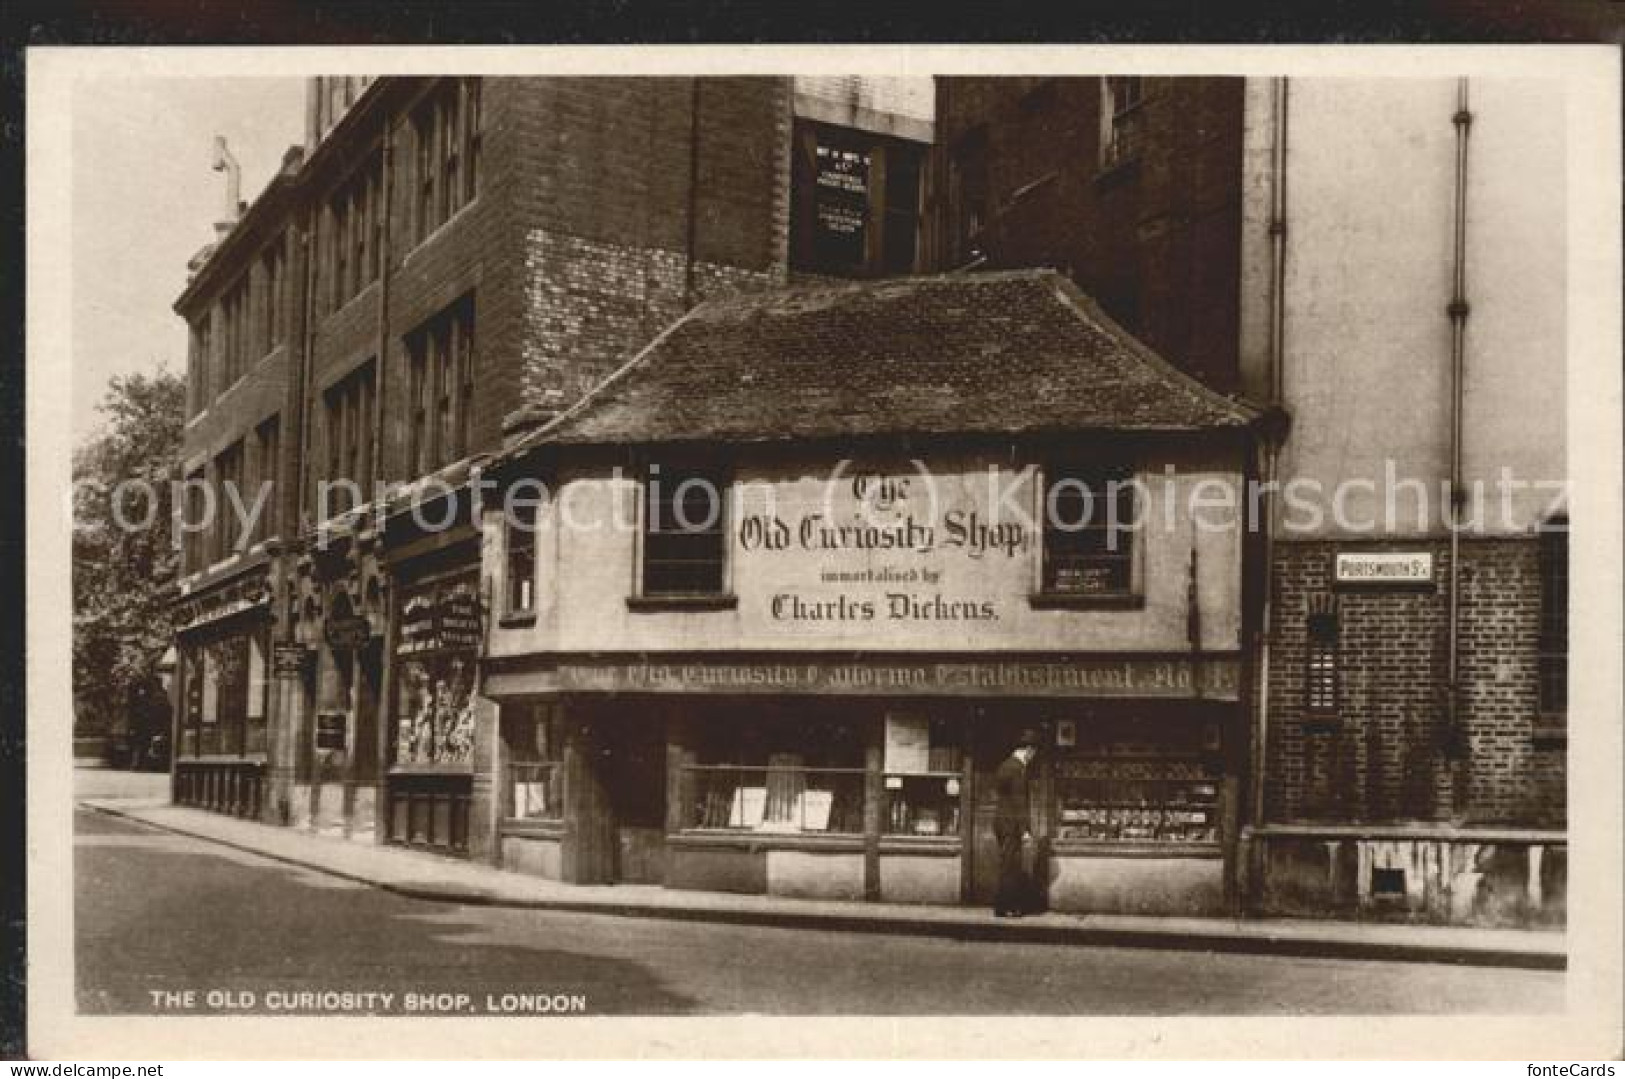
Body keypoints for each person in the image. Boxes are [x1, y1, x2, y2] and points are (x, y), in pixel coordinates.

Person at [993, 728, 1041, 917]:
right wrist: (1025, 831)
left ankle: (1005, 906)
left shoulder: (1005, 765)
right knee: (1010, 866)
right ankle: (1006, 907)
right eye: (1033, 753)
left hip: (1002, 821)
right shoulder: (1018, 769)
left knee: (1008, 864)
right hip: (1011, 823)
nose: (1033, 757)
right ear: (1028, 750)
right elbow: (1019, 801)